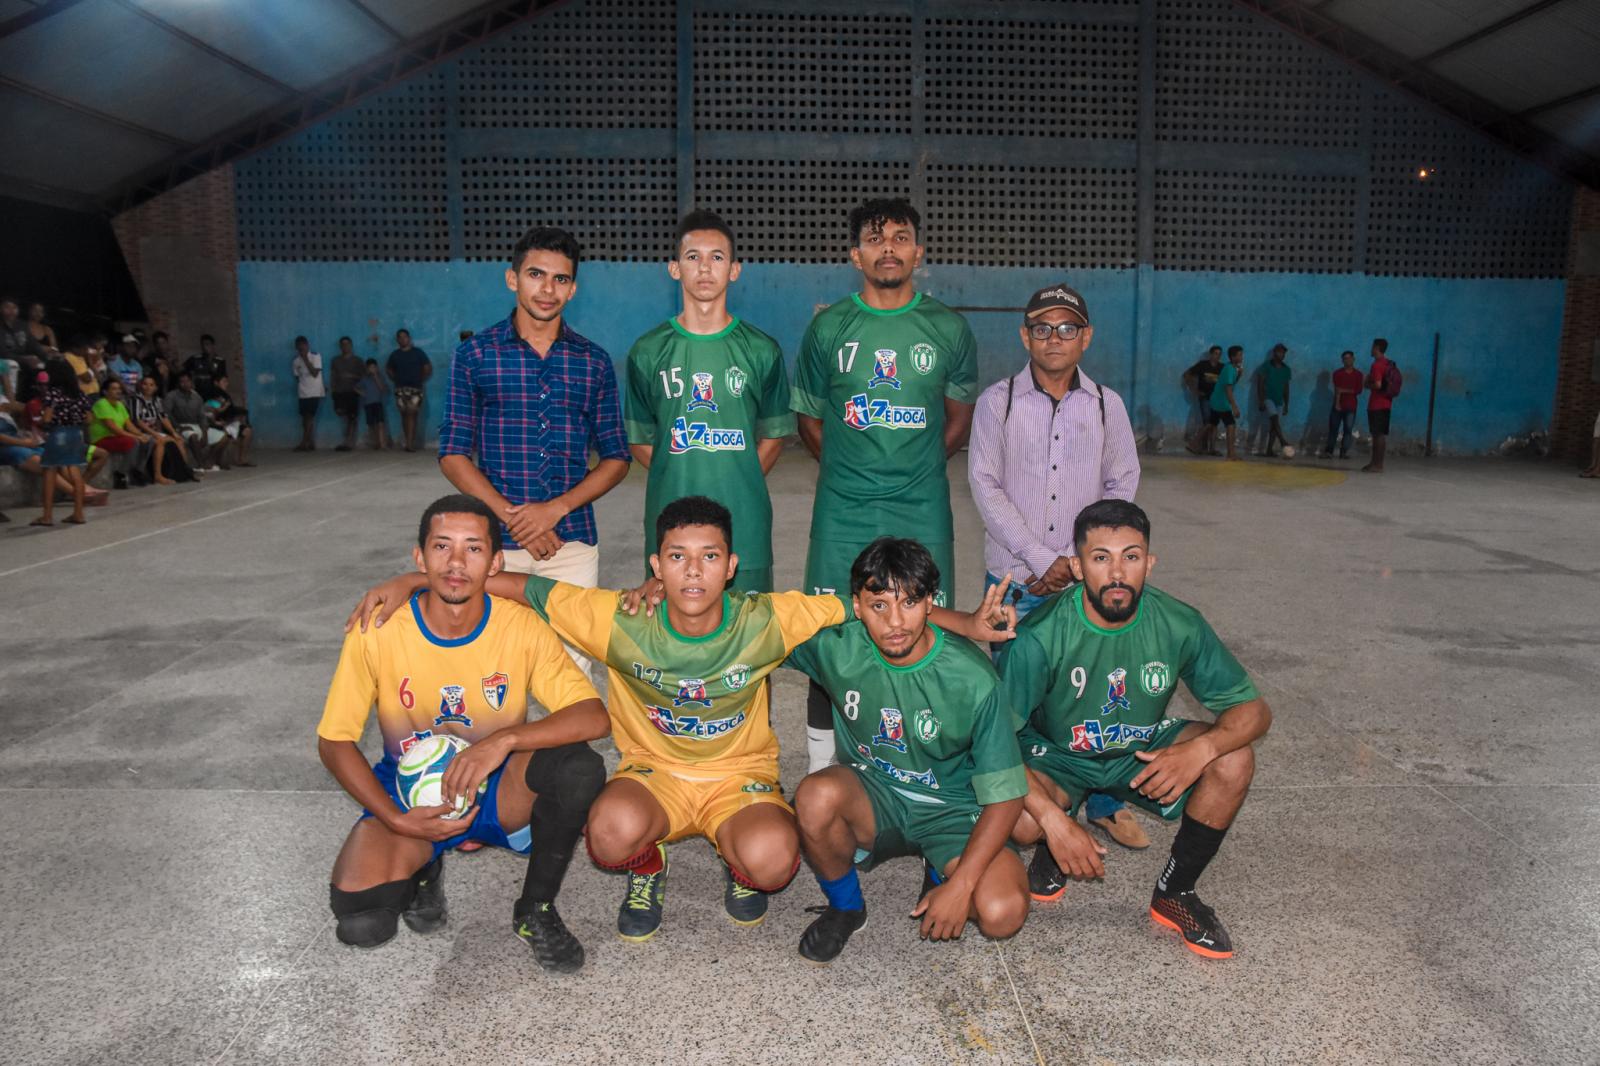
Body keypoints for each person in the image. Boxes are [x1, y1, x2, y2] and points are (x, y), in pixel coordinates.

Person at [349, 495, 1014, 943]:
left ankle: (737, 858)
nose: (692, 572)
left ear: (730, 566)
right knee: (608, 835)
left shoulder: (767, 618)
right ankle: (648, 864)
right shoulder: (615, 616)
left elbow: (872, 607)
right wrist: (411, 584)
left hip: (739, 779)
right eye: (676, 558)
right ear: (655, 565)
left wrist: (965, 625)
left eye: (708, 558)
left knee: (773, 861)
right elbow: (515, 585)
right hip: (654, 773)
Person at [320, 494, 608, 971]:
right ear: (419, 557)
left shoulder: (521, 627)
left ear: (495, 562)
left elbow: (593, 716)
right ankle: (425, 864)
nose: (456, 562)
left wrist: (503, 741)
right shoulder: (378, 629)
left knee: (578, 769)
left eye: (473, 549)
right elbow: (333, 742)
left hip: (497, 786)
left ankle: (535, 909)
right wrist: (396, 818)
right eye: (441, 547)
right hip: (409, 792)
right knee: (362, 923)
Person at [999, 500, 1271, 959]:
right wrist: (1052, 822)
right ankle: (1057, 835)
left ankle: (1175, 892)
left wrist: (1202, 749)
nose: (1118, 572)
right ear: (1080, 568)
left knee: (1234, 756)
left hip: (1140, 751)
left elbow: (1254, 711)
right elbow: (994, 744)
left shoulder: (1179, 623)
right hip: (1058, 755)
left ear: (1150, 562)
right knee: (1023, 821)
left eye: (1131, 556)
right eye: (1101, 558)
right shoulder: (1038, 637)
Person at [792, 198, 979, 775]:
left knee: (924, 627)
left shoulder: (947, 327)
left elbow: (958, 418)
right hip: (843, 510)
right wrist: (853, 471)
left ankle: (925, 769)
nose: (889, 247)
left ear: (919, 252)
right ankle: (825, 774)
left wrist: (915, 468)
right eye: (876, 240)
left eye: (901, 237)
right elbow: (809, 420)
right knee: (833, 632)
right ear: (856, 255)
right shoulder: (829, 326)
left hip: (921, 505)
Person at [967, 282, 1148, 851]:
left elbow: (1122, 488)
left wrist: (1083, 564)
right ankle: (1026, 799)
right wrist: (1047, 561)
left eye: (1067, 327)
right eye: (1042, 328)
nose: (1054, 338)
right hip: (1013, 581)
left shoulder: (1105, 405)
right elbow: (985, 485)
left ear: (1086, 337)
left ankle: (1104, 802)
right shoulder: (996, 402)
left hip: (1084, 584)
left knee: (1092, 694)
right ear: (1025, 336)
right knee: (1017, 697)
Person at [788, 537, 1029, 963]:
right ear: (856, 606)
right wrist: (663, 595)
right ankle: (846, 908)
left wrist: (961, 884)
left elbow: (1008, 796)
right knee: (814, 797)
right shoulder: (836, 647)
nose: (895, 621)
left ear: (931, 603)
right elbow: (746, 621)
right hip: (875, 793)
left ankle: (941, 869)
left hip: (954, 810)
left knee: (1002, 913)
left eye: (910, 603)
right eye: (878, 605)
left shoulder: (972, 679)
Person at [438, 225, 630, 677]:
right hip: (495, 545)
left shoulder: (593, 360)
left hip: (572, 543)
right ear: (513, 279)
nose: (547, 289)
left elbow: (617, 457)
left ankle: (566, 751)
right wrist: (514, 517)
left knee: (572, 674)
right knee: (492, 672)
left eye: (560, 279)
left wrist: (554, 510)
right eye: (536, 274)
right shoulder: (475, 356)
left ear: (573, 288)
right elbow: (452, 453)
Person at [624, 210, 793, 592]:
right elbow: (641, 440)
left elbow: (773, 436)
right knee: (671, 638)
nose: (704, 268)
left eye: (717, 257)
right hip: (671, 520)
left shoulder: (762, 350)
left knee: (749, 640)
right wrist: (687, 469)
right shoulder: (648, 351)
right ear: (674, 268)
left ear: (734, 270)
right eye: (692, 257)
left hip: (744, 521)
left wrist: (734, 473)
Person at [33, 358, 92, 527]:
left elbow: (47, 417)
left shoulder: (53, 393)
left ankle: (47, 516)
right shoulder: (79, 393)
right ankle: (78, 513)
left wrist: (43, 423)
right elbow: (89, 418)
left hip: (58, 433)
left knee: (50, 472)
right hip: (76, 433)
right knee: (75, 472)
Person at [89, 377, 154, 489]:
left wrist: (141, 434)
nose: (118, 391)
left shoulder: (120, 405)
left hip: (117, 437)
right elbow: (114, 428)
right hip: (102, 438)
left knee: (150, 440)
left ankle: (138, 470)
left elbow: (129, 425)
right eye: (114, 389)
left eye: (119, 388)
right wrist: (136, 437)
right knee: (134, 442)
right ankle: (121, 473)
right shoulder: (101, 404)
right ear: (105, 392)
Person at [129, 374, 194, 483]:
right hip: (141, 431)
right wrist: (155, 434)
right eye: (145, 384)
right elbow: (137, 421)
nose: (148, 387)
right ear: (141, 386)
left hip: (155, 430)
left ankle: (185, 470)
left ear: (155, 388)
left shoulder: (157, 400)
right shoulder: (136, 400)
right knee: (160, 441)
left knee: (178, 440)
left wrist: (173, 432)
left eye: (151, 385)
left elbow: (163, 418)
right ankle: (158, 475)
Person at [386, 328, 432, 451]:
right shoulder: (395, 355)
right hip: (400, 388)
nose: (402, 339)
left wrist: (420, 379)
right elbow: (389, 369)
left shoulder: (418, 353)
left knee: (412, 413)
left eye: (404, 336)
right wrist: (395, 379)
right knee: (404, 414)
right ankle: (408, 441)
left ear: (409, 338)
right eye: (400, 337)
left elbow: (427, 367)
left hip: (415, 388)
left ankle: (410, 444)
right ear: (397, 340)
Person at [1363, 338, 1398, 474]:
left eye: (1372, 347)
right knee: (1380, 434)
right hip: (1387, 403)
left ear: (1377, 348)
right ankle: (1376, 463)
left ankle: (1377, 465)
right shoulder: (1388, 363)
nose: (1371, 349)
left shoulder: (1377, 365)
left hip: (1377, 404)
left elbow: (1377, 385)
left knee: (1377, 435)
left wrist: (1366, 384)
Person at [206, 373, 255, 468]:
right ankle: (215, 460)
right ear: (216, 383)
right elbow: (216, 411)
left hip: (230, 423)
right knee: (226, 436)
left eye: (227, 381)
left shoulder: (226, 395)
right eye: (224, 381)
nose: (226, 384)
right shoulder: (212, 395)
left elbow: (230, 410)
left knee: (247, 431)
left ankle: (242, 459)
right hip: (217, 424)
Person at [1320, 350, 1362, 459]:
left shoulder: (1358, 374)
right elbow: (1337, 390)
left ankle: (1343, 452)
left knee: (1348, 429)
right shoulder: (1337, 373)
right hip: (1338, 406)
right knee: (1333, 429)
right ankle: (1329, 451)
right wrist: (1337, 404)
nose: (1347, 360)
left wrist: (1343, 390)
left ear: (1353, 359)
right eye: (1345, 359)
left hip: (1351, 406)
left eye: (1349, 358)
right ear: (1342, 361)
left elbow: (1358, 390)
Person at [1183, 346, 1224, 456]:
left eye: (1219, 354)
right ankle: (1201, 446)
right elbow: (1187, 374)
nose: (1217, 356)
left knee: (1213, 423)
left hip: (1217, 399)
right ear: (1211, 354)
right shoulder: (1203, 365)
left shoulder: (1222, 367)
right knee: (1208, 422)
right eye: (1215, 353)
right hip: (1205, 398)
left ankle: (1211, 448)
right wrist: (1194, 390)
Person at [1206, 345, 1244, 461]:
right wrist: (1234, 406)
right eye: (1240, 355)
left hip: (1217, 400)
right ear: (1233, 357)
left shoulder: (1232, 368)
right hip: (1221, 401)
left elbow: (1232, 383)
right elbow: (1228, 389)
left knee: (1211, 424)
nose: (1242, 357)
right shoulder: (1228, 369)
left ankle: (1194, 443)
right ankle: (1231, 454)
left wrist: (1239, 375)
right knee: (1231, 425)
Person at [329, 336, 365, 452]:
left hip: (353, 392)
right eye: (343, 344)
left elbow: (364, 377)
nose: (345, 346)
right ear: (340, 346)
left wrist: (352, 376)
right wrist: (332, 389)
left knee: (352, 417)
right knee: (340, 412)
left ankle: (348, 442)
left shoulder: (358, 361)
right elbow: (333, 376)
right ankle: (347, 440)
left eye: (347, 344)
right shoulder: (335, 360)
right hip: (339, 392)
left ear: (351, 345)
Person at [1257, 344, 1291, 458]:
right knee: (1275, 419)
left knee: (1274, 426)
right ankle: (1282, 440)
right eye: (1279, 352)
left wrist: (1286, 404)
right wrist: (1261, 400)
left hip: (1279, 401)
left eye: (1283, 353)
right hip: (1268, 398)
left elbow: (1286, 388)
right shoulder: (1266, 366)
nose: (1281, 355)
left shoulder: (1286, 369)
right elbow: (1260, 384)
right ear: (1274, 353)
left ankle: (1269, 450)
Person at [291, 336, 324, 451]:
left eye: (303, 347)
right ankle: (310, 442)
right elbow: (297, 377)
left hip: (315, 391)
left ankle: (304, 442)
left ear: (307, 345)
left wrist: (306, 359)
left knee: (310, 416)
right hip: (303, 392)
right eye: (299, 348)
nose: (301, 350)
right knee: (304, 418)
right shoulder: (295, 361)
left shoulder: (316, 356)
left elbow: (315, 373)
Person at [358, 358, 391, 450]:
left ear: (377, 368)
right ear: (367, 369)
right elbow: (355, 387)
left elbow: (383, 389)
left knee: (381, 423)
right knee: (372, 425)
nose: (372, 369)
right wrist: (361, 392)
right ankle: (376, 443)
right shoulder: (364, 379)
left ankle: (383, 444)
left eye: (374, 367)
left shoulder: (380, 377)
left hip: (378, 403)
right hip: (368, 404)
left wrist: (376, 376)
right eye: (370, 368)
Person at [184, 334, 227, 399]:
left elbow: (223, 379)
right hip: (197, 393)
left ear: (213, 345)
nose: (204, 347)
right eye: (203, 345)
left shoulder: (220, 361)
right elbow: (183, 371)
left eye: (207, 344)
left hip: (213, 394)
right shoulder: (195, 359)